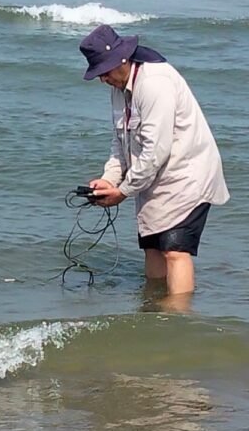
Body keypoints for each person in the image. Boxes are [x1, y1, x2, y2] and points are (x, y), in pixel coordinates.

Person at [79, 24, 229, 304]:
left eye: (105, 72)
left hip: (188, 173)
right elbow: (120, 141)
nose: (103, 80)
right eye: (99, 74)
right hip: (155, 177)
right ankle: (153, 309)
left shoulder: (154, 83)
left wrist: (123, 192)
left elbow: (155, 151)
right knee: (152, 246)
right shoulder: (120, 85)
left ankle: (177, 316)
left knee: (174, 248)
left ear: (122, 60)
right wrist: (109, 179)